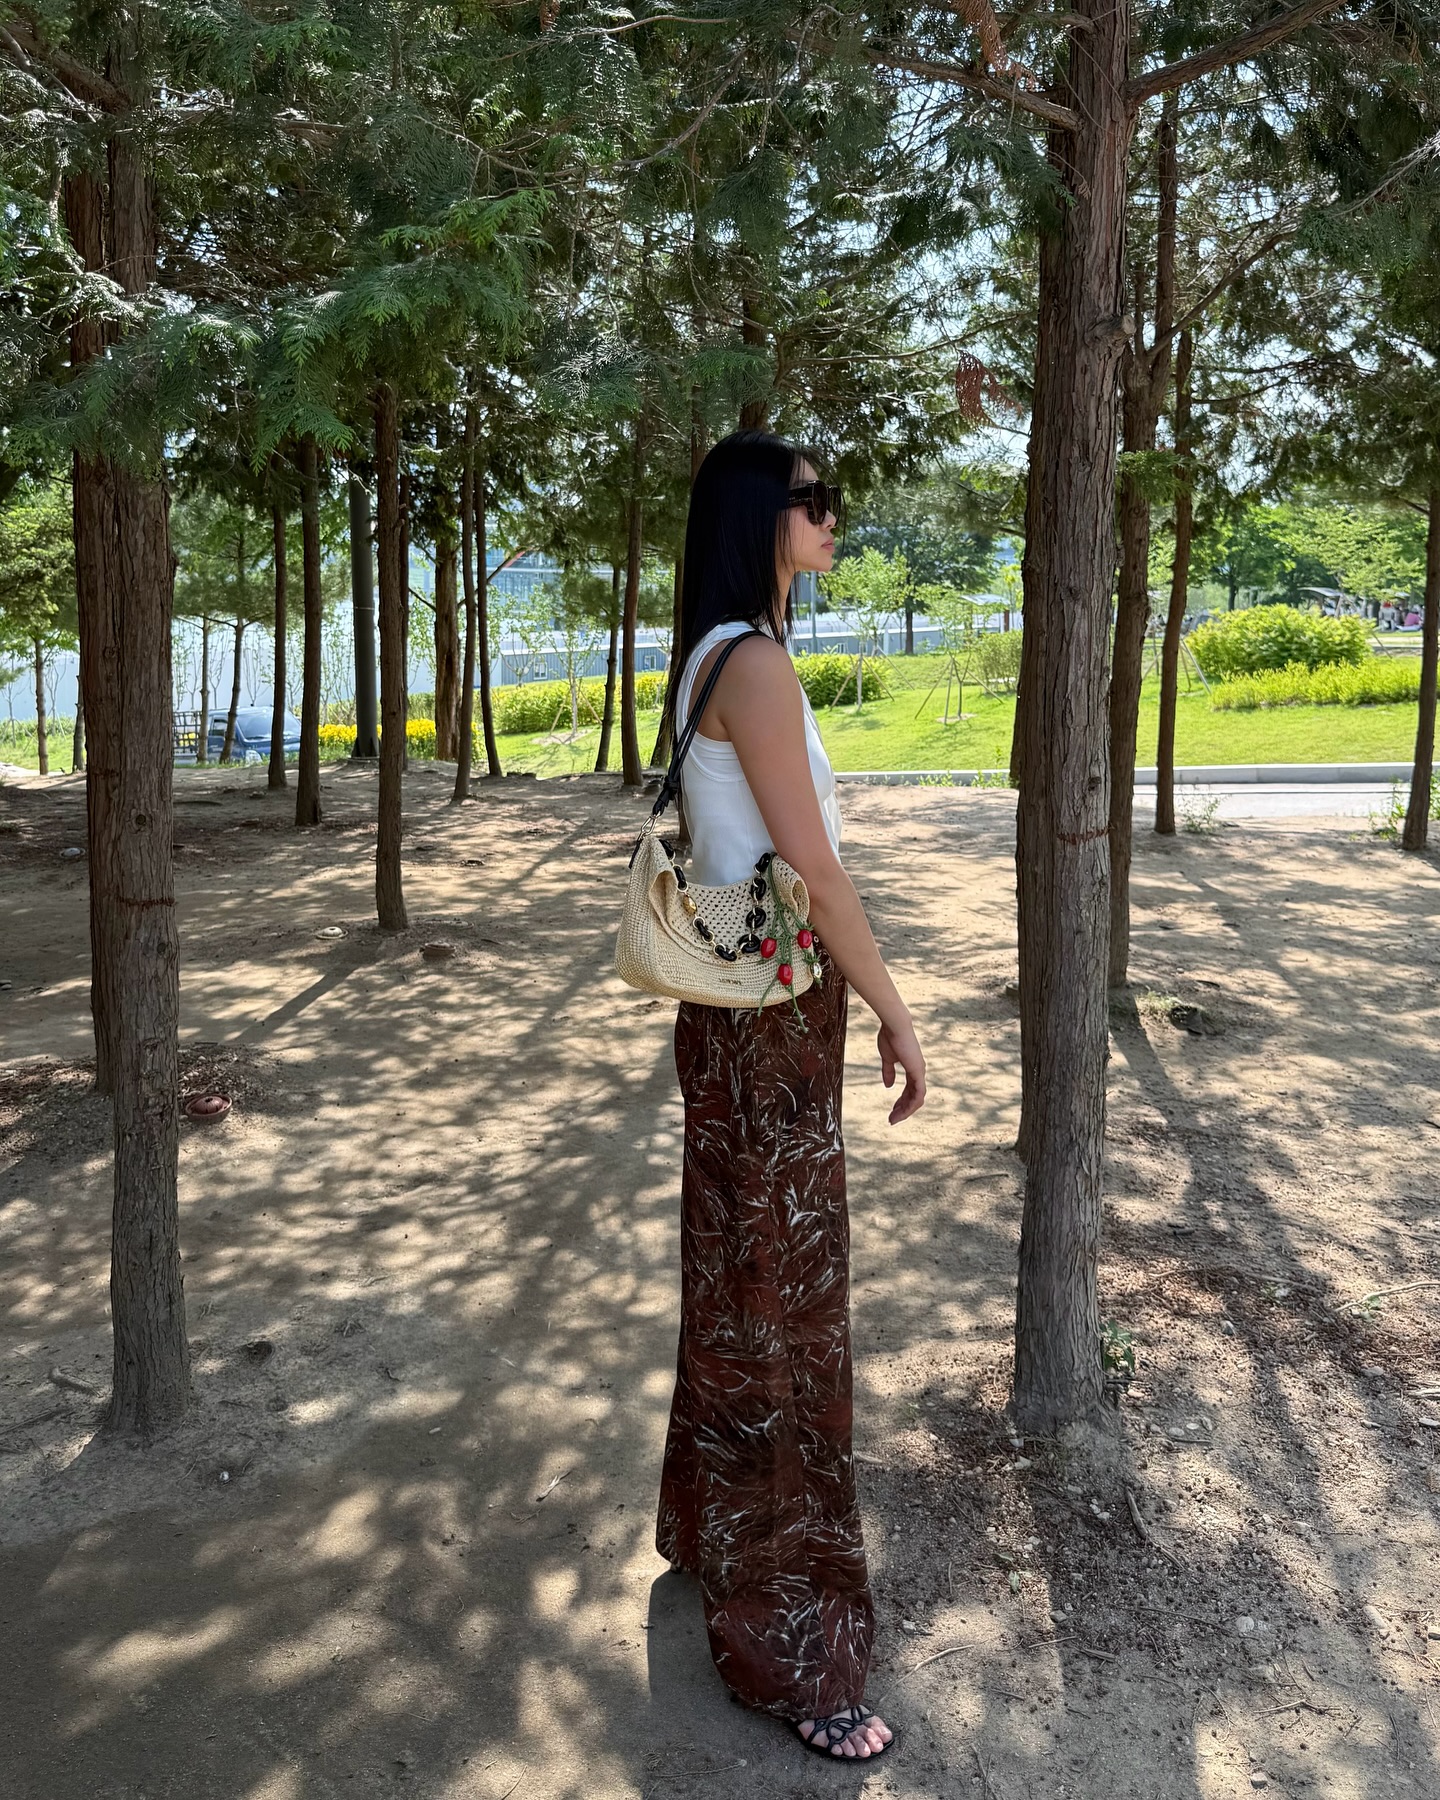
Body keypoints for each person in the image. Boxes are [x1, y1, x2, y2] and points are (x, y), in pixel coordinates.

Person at [652, 430, 927, 1761]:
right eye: (814, 501)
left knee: (735, 1284)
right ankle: (793, 1645)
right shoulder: (752, 665)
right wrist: (896, 1009)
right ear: (760, 516)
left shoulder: (712, 651)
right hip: (772, 1021)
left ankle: (711, 1531)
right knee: (786, 1321)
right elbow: (814, 877)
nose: (833, 518)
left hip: (731, 1016)